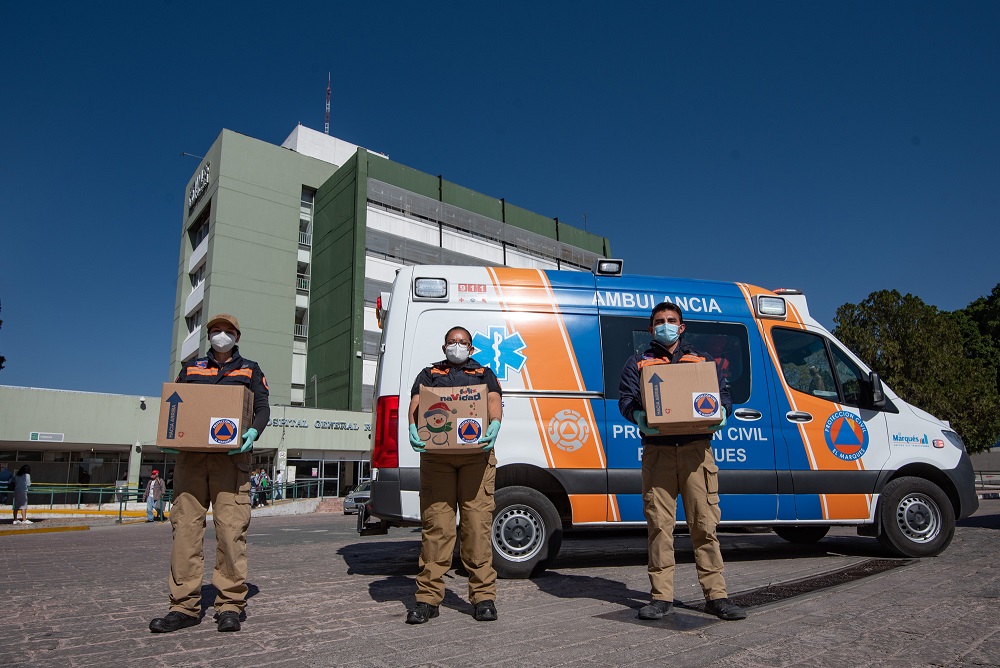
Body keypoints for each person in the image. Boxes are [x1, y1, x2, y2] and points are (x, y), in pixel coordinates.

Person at [618, 302, 747, 622]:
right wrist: (638, 416)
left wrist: (722, 415)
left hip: (696, 452)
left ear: (682, 326)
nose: (665, 326)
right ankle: (661, 597)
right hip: (657, 452)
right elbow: (626, 399)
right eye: (659, 321)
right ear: (651, 329)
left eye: (671, 321)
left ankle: (716, 596)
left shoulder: (703, 362)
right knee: (659, 528)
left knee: (704, 525)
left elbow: (724, 398)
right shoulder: (638, 362)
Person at [149, 313, 269, 634]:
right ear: (208, 336)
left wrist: (253, 433)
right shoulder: (191, 369)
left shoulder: (250, 369)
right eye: (215, 330)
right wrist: (170, 439)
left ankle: (230, 604)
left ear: (237, 337)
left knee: (231, 531)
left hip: (232, 460)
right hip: (190, 460)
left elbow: (262, 408)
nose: (221, 335)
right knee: (185, 529)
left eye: (227, 331)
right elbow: (175, 405)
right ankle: (183, 606)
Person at [404, 326, 503, 625]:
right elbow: (415, 407)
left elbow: (494, 401)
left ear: (471, 348)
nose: (456, 346)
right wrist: (412, 427)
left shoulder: (484, 373)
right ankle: (427, 599)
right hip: (437, 460)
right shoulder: (429, 374)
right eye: (452, 342)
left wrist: (495, 423)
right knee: (437, 529)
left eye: (462, 343)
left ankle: (484, 597)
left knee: (476, 528)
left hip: (477, 460)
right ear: (444, 345)